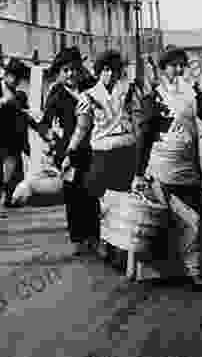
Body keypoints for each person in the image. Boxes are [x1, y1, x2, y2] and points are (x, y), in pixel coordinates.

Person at [131, 46, 202, 291]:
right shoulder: (152, 98)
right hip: (163, 171)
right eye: (173, 66)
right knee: (184, 223)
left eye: (181, 66)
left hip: (190, 170)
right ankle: (194, 274)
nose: (178, 70)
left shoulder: (192, 93)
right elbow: (143, 138)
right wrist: (139, 174)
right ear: (163, 70)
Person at [63, 50, 140, 253]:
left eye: (114, 70)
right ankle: (103, 240)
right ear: (98, 72)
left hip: (127, 150)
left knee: (125, 200)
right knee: (100, 200)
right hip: (102, 153)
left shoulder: (129, 91)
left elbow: (138, 123)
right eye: (105, 70)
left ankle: (123, 244)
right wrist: (70, 153)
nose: (110, 75)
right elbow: (81, 129)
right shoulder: (87, 96)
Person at [39, 47, 96, 255]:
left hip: (92, 147)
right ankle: (78, 238)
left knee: (92, 192)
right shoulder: (56, 93)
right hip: (67, 152)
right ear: (59, 72)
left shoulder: (91, 87)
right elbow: (43, 123)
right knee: (73, 195)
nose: (71, 74)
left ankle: (94, 236)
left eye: (74, 69)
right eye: (66, 70)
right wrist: (49, 136)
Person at [0, 56, 34, 218]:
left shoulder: (20, 95)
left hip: (13, 137)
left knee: (12, 169)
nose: (17, 81)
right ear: (6, 75)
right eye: (14, 77)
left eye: (19, 79)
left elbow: (24, 113)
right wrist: (0, 103)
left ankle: (8, 198)